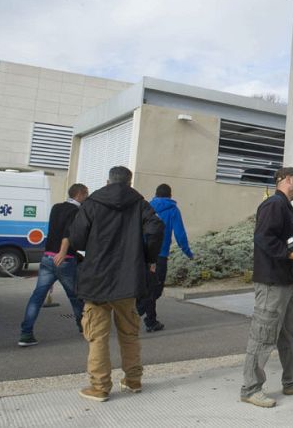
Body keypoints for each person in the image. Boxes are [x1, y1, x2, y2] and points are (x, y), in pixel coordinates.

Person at [68, 166, 164, 403]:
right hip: (127, 279)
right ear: (130, 183)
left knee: (97, 335)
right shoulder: (139, 203)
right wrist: (148, 257)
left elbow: (77, 239)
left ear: (107, 181)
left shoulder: (92, 203)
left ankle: (100, 387)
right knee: (129, 333)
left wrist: (90, 247)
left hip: (97, 279)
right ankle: (133, 380)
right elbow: (156, 228)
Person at [240, 167, 293, 408]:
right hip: (272, 283)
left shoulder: (287, 207)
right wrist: (288, 253)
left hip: (286, 280)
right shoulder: (274, 205)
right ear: (285, 179)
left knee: (289, 334)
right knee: (263, 335)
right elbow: (263, 237)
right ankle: (250, 389)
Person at [18, 183, 89, 347]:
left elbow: (56, 230)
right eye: (86, 194)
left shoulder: (56, 208)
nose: (87, 197)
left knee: (37, 297)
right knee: (75, 296)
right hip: (64, 259)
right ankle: (84, 327)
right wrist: (63, 252)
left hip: (47, 257)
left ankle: (26, 333)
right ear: (80, 194)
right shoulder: (76, 211)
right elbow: (68, 233)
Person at [137, 183, 194, 332]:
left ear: (156, 194)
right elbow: (180, 234)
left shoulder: (146, 207)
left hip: (143, 254)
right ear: (170, 195)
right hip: (160, 256)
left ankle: (150, 320)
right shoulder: (173, 210)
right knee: (155, 289)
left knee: (148, 287)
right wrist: (188, 252)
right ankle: (139, 313)